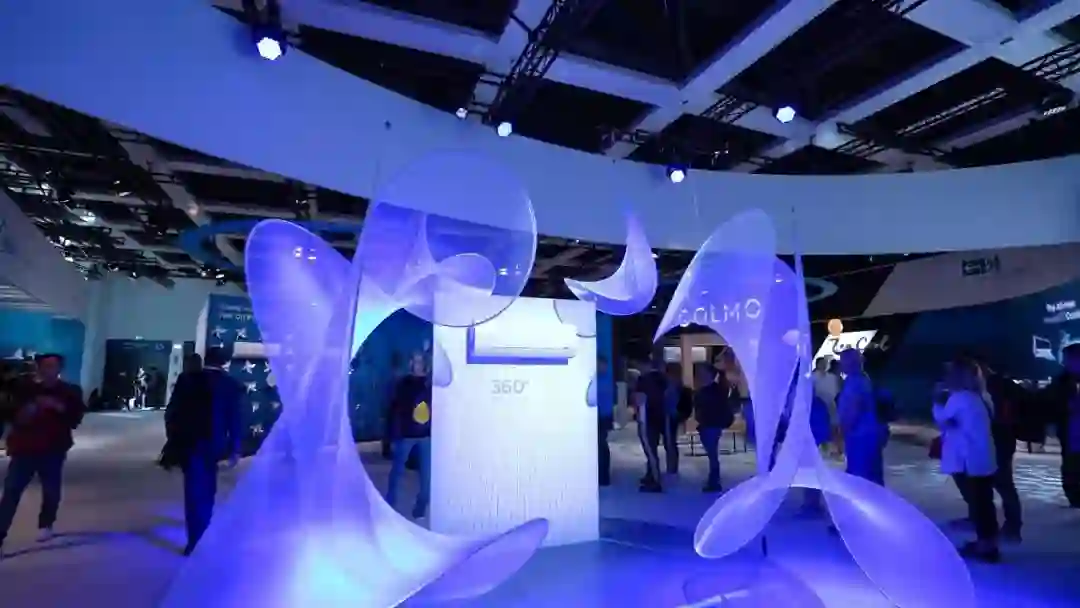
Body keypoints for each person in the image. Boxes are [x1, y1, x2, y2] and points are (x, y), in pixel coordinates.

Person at [0, 353, 85, 558]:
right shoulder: (23, 389)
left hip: (53, 449)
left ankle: (46, 522)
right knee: (11, 492)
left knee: (51, 490)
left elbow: (75, 419)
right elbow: (10, 414)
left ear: (59, 369)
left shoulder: (69, 391)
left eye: (53, 366)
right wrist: (29, 409)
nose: (48, 370)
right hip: (24, 449)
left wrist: (59, 408)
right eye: (45, 366)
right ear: (38, 368)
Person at [162, 347, 244, 556]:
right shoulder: (230, 385)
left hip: (190, 444)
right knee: (209, 490)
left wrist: (173, 440)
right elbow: (235, 419)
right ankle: (204, 532)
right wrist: (235, 448)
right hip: (215, 445)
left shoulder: (186, 380)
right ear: (223, 363)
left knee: (192, 492)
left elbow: (171, 413)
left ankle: (195, 539)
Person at [934, 357, 1000, 563]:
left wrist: (937, 400)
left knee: (978, 503)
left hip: (968, 459)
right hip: (983, 456)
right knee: (984, 502)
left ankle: (985, 546)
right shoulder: (983, 397)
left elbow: (943, 420)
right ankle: (988, 543)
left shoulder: (959, 398)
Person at [967, 355, 1024, 541]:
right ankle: (1008, 525)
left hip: (999, 440)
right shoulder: (993, 385)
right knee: (998, 483)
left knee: (1002, 483)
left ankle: (1012, 526)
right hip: (998, 439)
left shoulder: (995, 386)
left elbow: (1000, 415)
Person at [385, 352, 432, 518]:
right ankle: (390, 504)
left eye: (420, 361)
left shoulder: (430, 383)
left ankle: (420, 508)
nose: (417, 364)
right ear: (411, 363)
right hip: (406, 434)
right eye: (415, 361)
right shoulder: (404, 383)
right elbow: (395, 410)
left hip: (426, 436)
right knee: (397, 471)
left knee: (427, 477)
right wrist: (392, 435)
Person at [837, 349, 887, 485]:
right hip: (868, 431)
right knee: (871, 472)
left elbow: (853, 409)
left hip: (859, 434)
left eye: (842, 361)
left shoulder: (854, 382)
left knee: (861, 474)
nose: (840, 364)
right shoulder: (863, 379)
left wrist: (842, 430)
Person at [1039, 343, 1080, 508]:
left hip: (1071, 428)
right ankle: (1074, 498)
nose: (1066, 362)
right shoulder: (1060, 381)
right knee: (1071, 464)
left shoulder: (1061, 381)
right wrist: (1051, 422)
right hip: (1070, 429)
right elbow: (1049, 402)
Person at [693, 362, 734, 492]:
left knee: (712, 453)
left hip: (711, 424)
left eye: (702, 373)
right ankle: (713, 479)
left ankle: (714, 480)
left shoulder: (711, 390)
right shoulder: (715, 389)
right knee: (712, 453)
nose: (700, 375)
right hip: (710, 424)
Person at [634, 355, 669, 493]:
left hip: (647, 418)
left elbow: (639, 400)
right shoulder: (662, 379)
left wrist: (638, 414)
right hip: (659, 417)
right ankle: (651, 475)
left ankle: (655, 480)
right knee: (653, 449)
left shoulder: (643, 380)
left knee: (650, 450)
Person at [596, 356, 614, 487]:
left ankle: (603, 476)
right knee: (601, 445)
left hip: (602, 416)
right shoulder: (604, 380)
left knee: (601, 445)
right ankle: (603, 476)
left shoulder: (603, 381)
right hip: (602, 416)